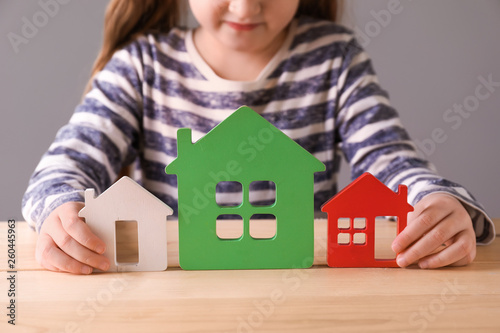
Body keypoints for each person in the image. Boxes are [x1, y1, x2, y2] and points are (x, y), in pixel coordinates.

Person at [22, 0, 494, 275]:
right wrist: (58, 210)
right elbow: (67, 164)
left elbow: (389, 159)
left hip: (300, 287)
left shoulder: (335, 59)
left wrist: (438, 202)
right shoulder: (141, 67)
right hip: (179, 295)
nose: (246, 6)